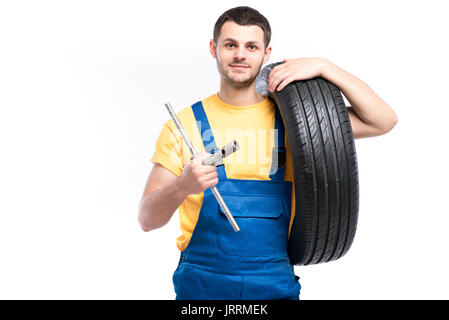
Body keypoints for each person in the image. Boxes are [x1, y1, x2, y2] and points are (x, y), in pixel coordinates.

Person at [138, 6, 398, 300]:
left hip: (274, 286)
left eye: (251, 46)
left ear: (266, 53)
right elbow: (147, 219)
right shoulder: (183, 125)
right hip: (201, 288)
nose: (240, 54)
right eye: (230, 44)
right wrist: (182, 186)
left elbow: (382, 120)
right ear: (214, 49)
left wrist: (326, 67)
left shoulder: (298, 121)